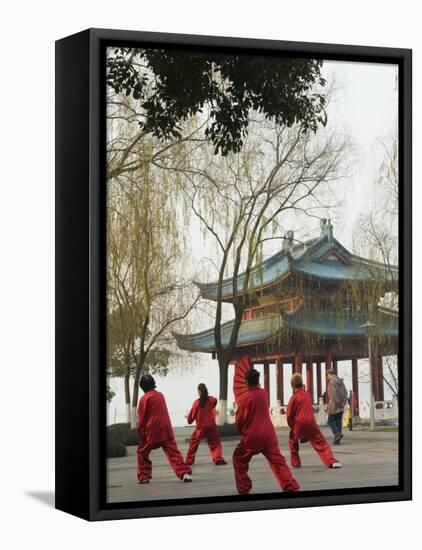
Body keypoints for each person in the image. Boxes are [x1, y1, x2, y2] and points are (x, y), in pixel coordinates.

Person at [232, 368, 300, 495]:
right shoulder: (264, 394)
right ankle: (291, 487)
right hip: (269, 435)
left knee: (238, 458)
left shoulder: (245, 399)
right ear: (258, 380)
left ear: (246, 382)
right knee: (278, 463)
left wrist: (243, 432)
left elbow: (240, 421)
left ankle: (244, 487)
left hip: (252, 436)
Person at [136, 374, 193, 484]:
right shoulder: (160, 395)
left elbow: (141, 419)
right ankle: (185, 474)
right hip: (166, 430)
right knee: (173, 453)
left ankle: (144, 476)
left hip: (152, 433)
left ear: (142, 387)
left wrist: (140, 434)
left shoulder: (144, 399)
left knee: (142, 452)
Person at [287, 373, 342, 469]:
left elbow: (289, 415)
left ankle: (295, 463)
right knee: (320, 442)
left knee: (292, 441)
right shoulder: (308, 395)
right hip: (311, 422)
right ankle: (331, 461)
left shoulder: (294, 398)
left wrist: (292, 426)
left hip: (299, 423)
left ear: (293, 385)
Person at [185, 383, 227, 466]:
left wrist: (189, 419)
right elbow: (215, 401)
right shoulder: (211, 400)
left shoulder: (196, 403)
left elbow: (190, 419)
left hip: (200, 428)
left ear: (199, 392)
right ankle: (218, 458)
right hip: (211, 426)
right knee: (215, 443)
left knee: (194, 443)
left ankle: (189, 460)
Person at [326, 368, 348, 444]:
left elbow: (334, 394)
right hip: (341, 405)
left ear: (330, 374)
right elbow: (345, 393)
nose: (327, 377)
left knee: (330, 420)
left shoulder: (331, 383)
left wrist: (338, 402)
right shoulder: (341, 382)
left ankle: (337, 434)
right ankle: (337, 439)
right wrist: (343, 402)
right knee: (338, 421)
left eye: (327, 375)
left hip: (334, 405)